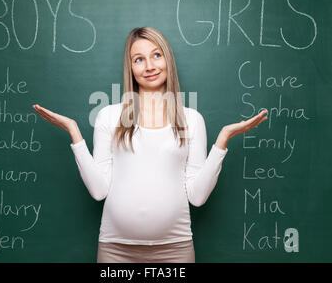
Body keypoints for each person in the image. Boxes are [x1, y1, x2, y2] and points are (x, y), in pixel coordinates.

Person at [32, 27, 267, 263]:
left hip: (176, 250)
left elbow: (197, 196)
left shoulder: (192, 119)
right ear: (131, 68)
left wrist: (222, 141)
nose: (149, 66)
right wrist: (74, 133)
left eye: (156, 55)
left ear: (168, 59)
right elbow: (98, 190)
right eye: (139, 59)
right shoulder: (109, 116)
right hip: (116, 251)